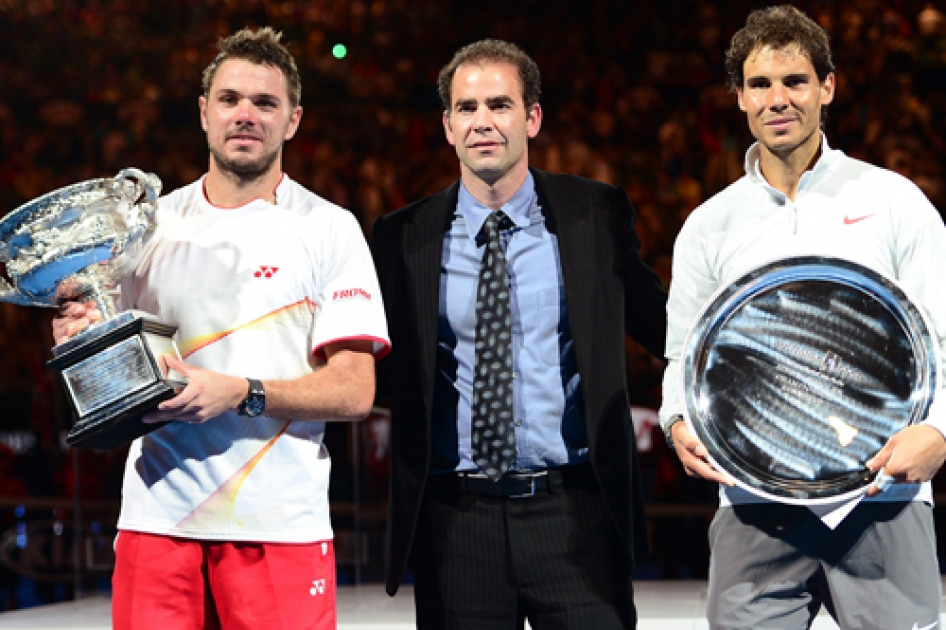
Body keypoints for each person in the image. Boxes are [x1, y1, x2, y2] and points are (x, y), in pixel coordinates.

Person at [53, 28, 390, 630]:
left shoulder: (329, 228)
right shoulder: (146, 229)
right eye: (230, 99)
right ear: (204, 112)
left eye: (265, 103)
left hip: (279, 525)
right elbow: (112, 386)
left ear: (293, 120)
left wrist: (242, 392)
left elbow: (355, 390)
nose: (246, 115)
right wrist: (81, 343)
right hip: (156, 521)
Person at [659, 6, 946, 629]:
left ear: (827, 87)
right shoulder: (709, 225)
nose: (777, 99)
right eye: (759, 85)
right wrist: (678, 419)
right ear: (739, 97)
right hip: (755, 501)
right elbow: (685, 355)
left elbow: (942, 338)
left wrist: (940, 431)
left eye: (794, 81)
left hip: (882, 495)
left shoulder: (894, 201)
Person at [370, 39, 667, 630]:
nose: (483, 121)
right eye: (467, 107)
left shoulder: (596, 216)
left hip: (577, 513)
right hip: (456, 522)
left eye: (500, 105)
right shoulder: (403, 237)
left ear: (531, 117)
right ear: (448, 126)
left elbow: (666, 329)